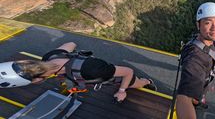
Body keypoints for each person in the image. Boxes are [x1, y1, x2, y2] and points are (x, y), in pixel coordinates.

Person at [0, 42, 156, 102]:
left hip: (108, 74)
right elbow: (71, 44)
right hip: (94, 72)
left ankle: (147, 82)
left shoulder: (91, 70)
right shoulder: (50, 56)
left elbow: (128, 71)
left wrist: (122, 91)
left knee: (135, 83)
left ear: (37, 80)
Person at [176, 2, 215, 119]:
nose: (214, 27)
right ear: (198, 25)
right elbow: (183, 99)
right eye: (208, 23)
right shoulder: (195, 58)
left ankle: (197, 99)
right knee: (189, 97)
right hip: (198, 79)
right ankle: (195, 99)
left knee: (196, 94)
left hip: (204, 81)